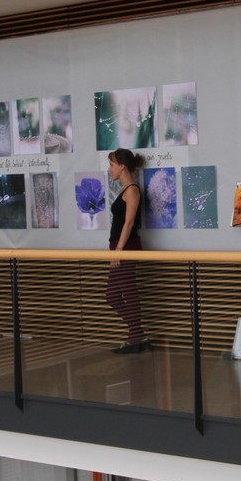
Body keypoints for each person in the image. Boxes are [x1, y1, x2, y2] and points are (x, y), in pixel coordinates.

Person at [106, 148, 147, 353]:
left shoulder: (132, 190)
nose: (109, 169)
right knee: (113, 295)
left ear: (122, 166)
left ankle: (136, 338)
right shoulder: (124, 189)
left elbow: (129, 222)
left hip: (126, 246)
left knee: (126, 293)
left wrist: (119, 250)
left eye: (112, 165)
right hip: (119, 246)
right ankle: (137, 335)